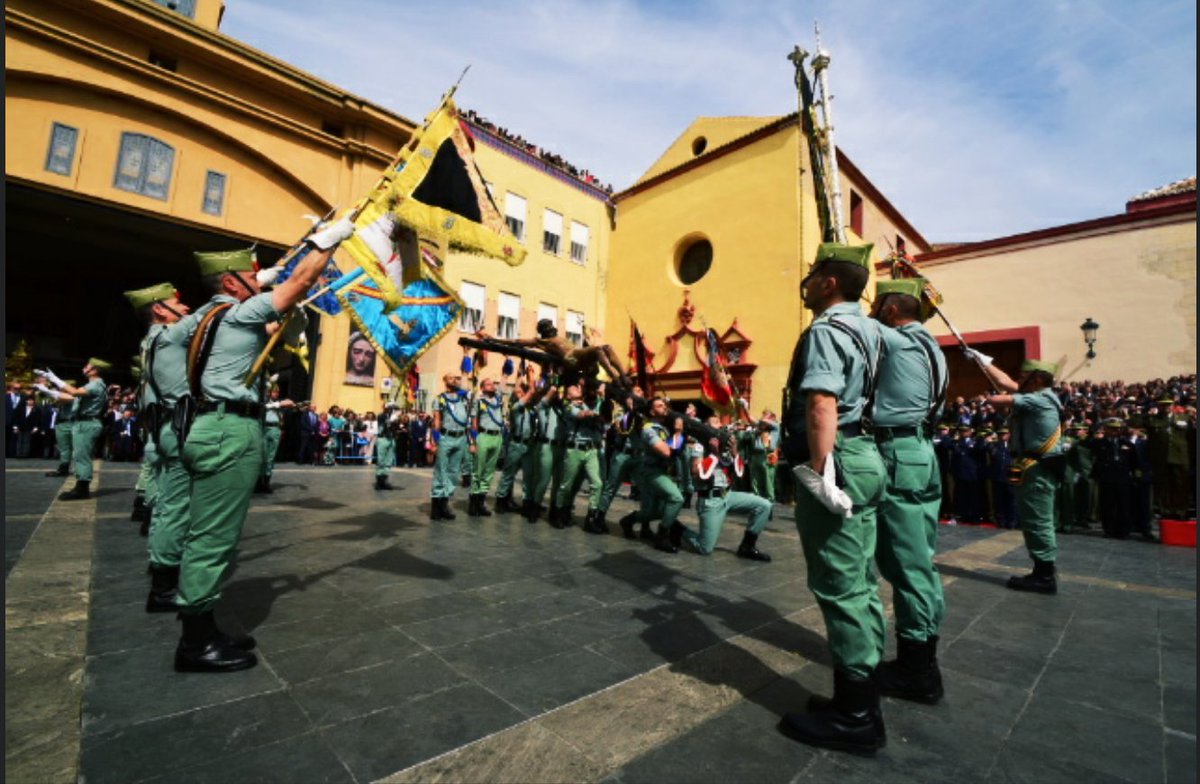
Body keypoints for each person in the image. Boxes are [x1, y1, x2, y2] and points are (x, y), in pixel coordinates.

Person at [174, 216, 352, 673]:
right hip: (228, 431)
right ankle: (195, 642)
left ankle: (203, 624)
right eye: (251, 276)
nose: (261, 280)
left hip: (210, 427)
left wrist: (273, 298)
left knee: (206, 530)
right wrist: (329, 241)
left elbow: (276, 322)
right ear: (231, 283)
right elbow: (300, 282)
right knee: (213, 537)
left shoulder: (206, 316)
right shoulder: (238, 312)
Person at [776, 242, 887, 755]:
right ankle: (860, 697)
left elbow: (822, 401)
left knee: (840, 585)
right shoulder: (874, 330)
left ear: (829, 282)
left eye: (813, 275)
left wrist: (823, 474)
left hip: (839, 454)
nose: (807, 284)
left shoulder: (826, 328)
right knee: (861, 581)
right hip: (867, 454)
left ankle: (855, 717)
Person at [866, 277, 948, 705]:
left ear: (892, 310)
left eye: (878, 304)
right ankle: (921, 661)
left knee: (905, 564)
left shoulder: (894, 341)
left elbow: (846, 324)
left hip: (898, 452)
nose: (872, 310)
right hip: (920, 452)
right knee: (920, 561)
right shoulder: (932, 346)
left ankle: (917, 672)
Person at [120, 282, 201, 610]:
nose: (185, 308)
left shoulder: (151, 340)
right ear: (158, 309)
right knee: (178, 507)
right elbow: (212, 315)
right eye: (177, 305)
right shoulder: (166, 337)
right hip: (180, 428)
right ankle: (164, 586)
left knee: (167, 505)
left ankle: (160, 568)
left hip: (166, 428)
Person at [974, 353, 1066, 593]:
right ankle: (1042, 570)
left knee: (1038, 520)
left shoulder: (1040, 399)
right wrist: (984, 362)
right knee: (1033, 518)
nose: (1019, 379)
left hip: (1037, 469)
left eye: (1024, 376)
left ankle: (1044, 576)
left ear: (1037, 380)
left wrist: (991, 397)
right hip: (1031, 467)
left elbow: (997, 398)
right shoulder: (1039, 395)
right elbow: (1005, 382)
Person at [681, 416, 772, 560]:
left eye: (720, 423)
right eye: (715, 423)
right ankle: (677, 530)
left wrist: (735, 452)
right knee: (704, 548)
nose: (720, 426)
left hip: (728, 496)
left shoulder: (726, 447)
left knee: (764, 505)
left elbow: (740, 473)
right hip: (711, 500)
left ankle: (747, 546)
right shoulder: (700, 446)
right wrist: (714, 454)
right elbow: (697, 473)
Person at [35, 358, 113, 499]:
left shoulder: (96, 385)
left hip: (87, 423)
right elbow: (70, 396)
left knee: (82, 456)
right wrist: (48, 388)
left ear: (94, 370)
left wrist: (53, 378)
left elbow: (74, 392)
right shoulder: (92, 385)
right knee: (79, 455)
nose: (84, 368)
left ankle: (82, 489)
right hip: (84, 423)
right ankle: (80, 486)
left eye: (87, 366)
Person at [554, 380, 608, 532]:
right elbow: (582, 415)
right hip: (575, 449)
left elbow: (599, 412)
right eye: (574, 388)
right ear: (568, 396)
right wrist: (595, 409)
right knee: (566, 485)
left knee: (597, 484)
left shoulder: (588, 404)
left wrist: (601, 397)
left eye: (579, 388)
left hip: (591, 450)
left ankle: (590, 518)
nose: (578, 389)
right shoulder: (568, 406)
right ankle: (559, 513)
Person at [494, 368, 544, 513]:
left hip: (529, 445)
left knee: (528, 476)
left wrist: (531, 378)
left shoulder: (532, 409)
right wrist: (530, 376)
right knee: (508, 474)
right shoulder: (516, 407)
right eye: (518, 393)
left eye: (522, 392)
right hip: (516, 444)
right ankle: (501, 500)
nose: (520, 394)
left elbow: (534, 394)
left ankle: (527, 502)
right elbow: (531, 392)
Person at [430, 373, 471, 520]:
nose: (455, 380)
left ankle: (444, 503)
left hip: (460, 438)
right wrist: (435, 442)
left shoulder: (463, 398)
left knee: (454, 472)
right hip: (446, 437)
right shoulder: (440, 399)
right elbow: (436, 420)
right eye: (451, 378)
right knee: (441, 471)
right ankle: (436, 506)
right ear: (445, 381)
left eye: (456, 378)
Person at [468, 377, 505, 517]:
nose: (492, 386)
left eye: (493, 384)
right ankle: (473, 504)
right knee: (478, 471)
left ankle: (481, 502)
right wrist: (473, 442)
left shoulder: (498, 400)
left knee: (489, 472)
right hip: (483, 436)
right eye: (488, 384)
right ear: (482, 388)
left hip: (497, 437)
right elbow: (474, 424)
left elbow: (504, 381)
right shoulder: (479, 402)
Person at [257, 386, 294, 493]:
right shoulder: (265, 402)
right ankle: (258, 482)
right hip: (264, 428)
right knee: (262, 456)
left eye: (277, 392)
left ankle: (266, 483)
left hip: (275, 429)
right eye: (274, 392)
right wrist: (278, 404)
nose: (276, 394)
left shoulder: (279, 404)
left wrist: (290, 404)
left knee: (271, 457)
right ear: (269, 392)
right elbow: (264, 407)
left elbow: (290, 403)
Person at [374, 403, 399, 490]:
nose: (393, 410)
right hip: (383, 439)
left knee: (389, 461)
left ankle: (384, 481)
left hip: (391, 439)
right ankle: (379, 481)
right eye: (392, 408)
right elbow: (385, 424)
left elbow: (396, 428)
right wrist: (392, 419)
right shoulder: (381, 416)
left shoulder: (394, 417)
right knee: (381, 460)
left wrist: (396, 421)